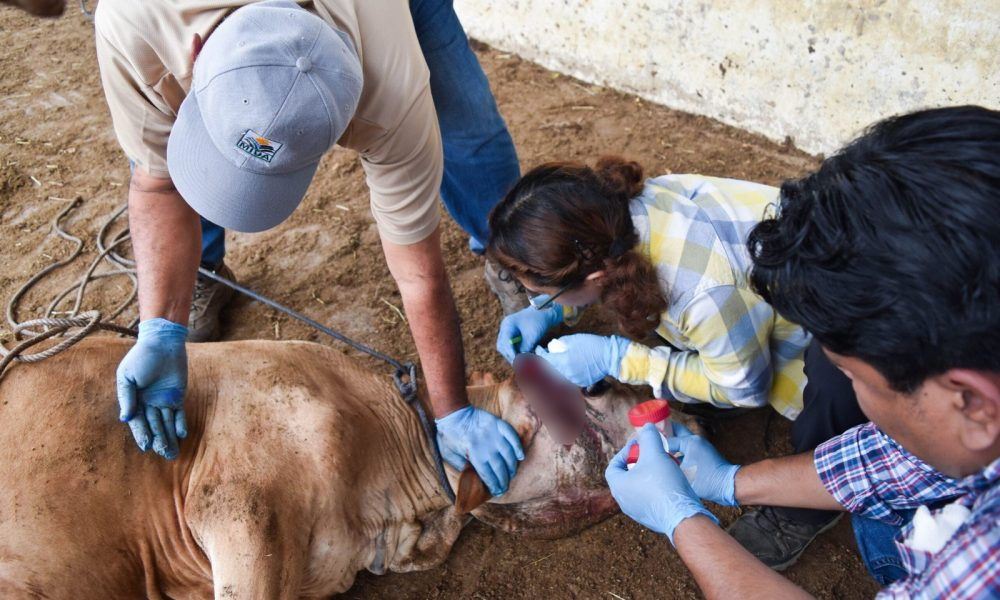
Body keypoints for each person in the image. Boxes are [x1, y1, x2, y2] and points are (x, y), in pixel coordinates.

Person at [94, 0, 524, 498]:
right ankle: (201, 277)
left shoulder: (391, 92)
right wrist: (160, 328)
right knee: (192, 158)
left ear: (345, 118)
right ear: (195, 51)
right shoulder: (131, 18)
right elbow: (159, 183)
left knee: (464, 120)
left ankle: (513, 251)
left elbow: (419, 274)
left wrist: (453, 411)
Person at [605, 105, 1000, 597]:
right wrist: (729, 482)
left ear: (973, 403)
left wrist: (683, 521)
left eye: (855, 378)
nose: (845, 388)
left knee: (887, 530)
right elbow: (894, 460)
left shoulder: (982, 562)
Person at [486, 157, 867, 567]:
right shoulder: (620, 216)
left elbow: (744, 387)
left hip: (851, 324)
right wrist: (557, 311)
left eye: (544, 296)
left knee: (835, 391)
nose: (539, 303)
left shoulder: (701, 291)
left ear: (594, 278)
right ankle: (707, 375)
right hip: (784, 284)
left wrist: (624, 359)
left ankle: (804, 510)